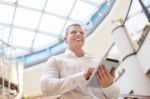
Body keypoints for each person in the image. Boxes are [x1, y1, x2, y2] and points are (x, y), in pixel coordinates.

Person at [40, 24, 120, 99]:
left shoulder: (97, 61)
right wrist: (83, 76)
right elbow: (46, 87)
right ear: (65, 39)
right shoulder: (55, 60)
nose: (79, 34)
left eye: (81, 33)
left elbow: (114, 96)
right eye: (73, 32)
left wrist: (109, 85)